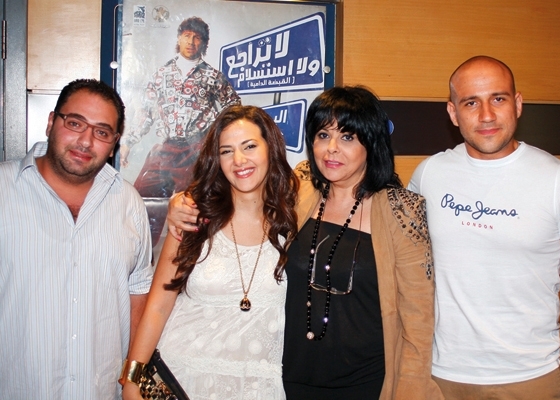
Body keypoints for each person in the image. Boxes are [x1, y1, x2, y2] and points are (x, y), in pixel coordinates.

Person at [167, 87, 443, 399]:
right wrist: (184, 202)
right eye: (323, 135)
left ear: (371, 142)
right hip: (289, 380)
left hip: (367, 384)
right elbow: (239, 188)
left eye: (347, 137)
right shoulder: (300, 188)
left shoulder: (402, 211)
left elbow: (418, 323)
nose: (332, 149)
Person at [408, 55, 560, 400]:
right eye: (471, 102)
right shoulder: (428, 175)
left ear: (518, 104)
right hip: (439, 377)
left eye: (498, 99)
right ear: (453, 112)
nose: (486, 115)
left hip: (530, 378)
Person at [121, 105, 298, 400]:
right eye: (226, 151)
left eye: (250, 146)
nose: (239, 160)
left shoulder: (295, 220)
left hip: (257, 387)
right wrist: (132, 380)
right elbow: (159, 305)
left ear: (271, 148)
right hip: (182, 379)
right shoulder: (193, 217)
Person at [0, 79, 153, 399]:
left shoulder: (128, 202)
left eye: (102, 132)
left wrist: (132, 380)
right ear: (51, 122)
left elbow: (138, 292)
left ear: (114, 143)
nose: (85, 141)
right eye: (75, 123)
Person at [120, 16, 241, 246]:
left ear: (203, 43)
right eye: (187, 36)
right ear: (179, 38)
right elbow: (146, 113)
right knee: (142, 198)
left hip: (197, 151)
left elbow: (233, 108)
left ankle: (188, 259)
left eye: (197, 37)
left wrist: (217, 140)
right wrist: (127, 143)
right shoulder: (162, 74)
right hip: (166, 149)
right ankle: (142, 256)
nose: (191, 42)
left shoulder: (213, 76)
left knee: (193, 208)